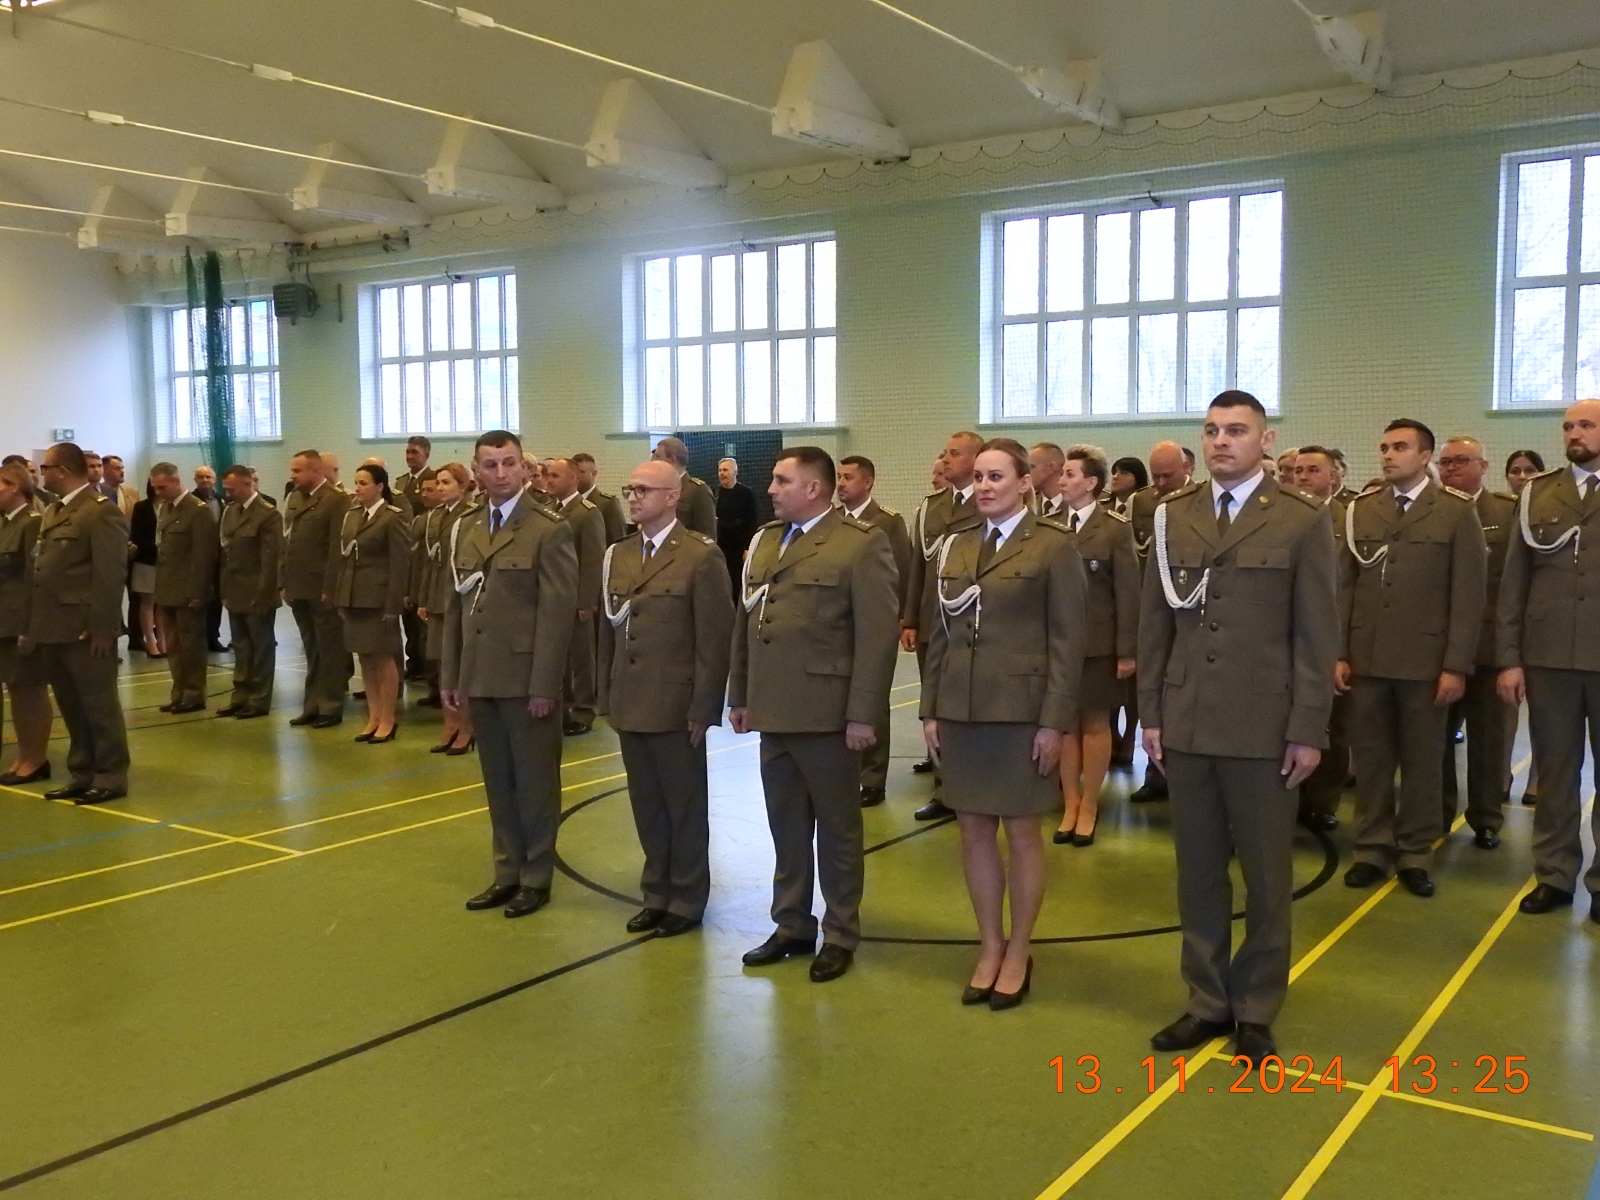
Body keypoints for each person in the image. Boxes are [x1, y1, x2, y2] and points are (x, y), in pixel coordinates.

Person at [1140, 392, 1337, 1067]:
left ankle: (1255, 1007)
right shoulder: (1173, 516)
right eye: (1212, 430)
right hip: (1188, 720)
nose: (1222, 441)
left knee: (1265, 877)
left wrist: (1308, 727)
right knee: (1197, 872)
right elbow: (1155, 625)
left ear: (1265, 439)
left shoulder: (1301, 519)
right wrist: (1151, 714)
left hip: (1264, 727)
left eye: (1236, 430)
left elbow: (1316, 635)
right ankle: (1206, 1000)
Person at [922, 439, 1086, 1008]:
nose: (985, 486)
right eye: (980, 477)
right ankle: (989, 944)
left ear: (1024, 483)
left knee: (1020, 832)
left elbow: (1067, 641)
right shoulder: (956, 545)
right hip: (961, 709)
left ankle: (1019, 949)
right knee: (972, 829)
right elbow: (939, 634)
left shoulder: (1053, 546)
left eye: (997, 477)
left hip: (1021, 713)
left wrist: (1053, 722)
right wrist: (930, 709)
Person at [731, 447, 899, 982]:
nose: (772, 489)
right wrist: (740, 694)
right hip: (773, 710)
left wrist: (864, 714)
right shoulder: (766, 542)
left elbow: (876, 638)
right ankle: (792, 924)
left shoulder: (860, 544)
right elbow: (748, 620)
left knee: (838, 831)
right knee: (786, 826)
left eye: (782, 481)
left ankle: (841, 931)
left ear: (814, 488)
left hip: (828, 715)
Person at [1339, 419, 1485, 897]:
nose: (1388, 455)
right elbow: (1344, 587)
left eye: (1400, 447)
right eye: (1384, 447)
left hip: (1426, 662)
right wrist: (1338, 652)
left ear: (1425, 457)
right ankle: (1370, 848)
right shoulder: (1362, 510)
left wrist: (1455, 665)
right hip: (1367, 658)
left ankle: (1415, 852)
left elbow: (1468, 596)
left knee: (1423, 764)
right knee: (1372, 761)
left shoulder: (1454, 512)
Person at [444, 431, 577, 918]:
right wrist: (451, 674)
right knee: (498, 782)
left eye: (508, 463)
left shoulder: (548, 529)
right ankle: (507, 872)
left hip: (526, 680)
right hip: (481, 675)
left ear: (524, 469)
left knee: (535, 783)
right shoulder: (465, 527)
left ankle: (536, 876)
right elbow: (455, 607)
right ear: (476, 471)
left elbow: (557, 616)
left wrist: (545, 685)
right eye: (490, 464)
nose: (500, 473)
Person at [599, 460, 734, 937]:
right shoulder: (619, 555)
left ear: (673, 497)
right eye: (630, 489)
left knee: (684, 807)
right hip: (630, 700)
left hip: (676, 706)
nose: (633, 498)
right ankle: (656, 892)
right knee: (647, 807)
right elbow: (608, 632)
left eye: (644, 490)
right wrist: (605, 695)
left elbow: (714, 640)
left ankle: (687, 898)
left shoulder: (700, 556)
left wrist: (704, 707)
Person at [1497, 399, 1600, 923]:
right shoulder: (1538, 493)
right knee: (1556, 773)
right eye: (1568, 426)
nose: (1574, 433)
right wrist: (1509, 659)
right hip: (1549, 657)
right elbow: (1514, 582)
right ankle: (1554, 876)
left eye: (1586, 425)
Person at [25, 443, 132, 804]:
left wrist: (103, 627)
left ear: (63, 471)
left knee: (99, 706)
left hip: (85, 627)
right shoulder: (56, 510)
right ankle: (82, 771)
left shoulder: (100, 512)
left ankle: (110, 775)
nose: (42, 472)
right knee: (71, 705)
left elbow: (110, 574)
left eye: (46, 467)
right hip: (55, 626)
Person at [1051, 445, 1138, 847]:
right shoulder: (1049, 524)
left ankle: (1089, 804)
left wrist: (1127, 650)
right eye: (1062, 474)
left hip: (1099, 643)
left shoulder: (1114, 528)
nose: (1062, 481)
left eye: (1070, 474)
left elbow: (1128, 592)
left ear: (1091, 483)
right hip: (1058, 644)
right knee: (1065, 724)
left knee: (1095, 724)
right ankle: (1069, 802)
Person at [1436, 436, 1516, 849]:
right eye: (1446, 462)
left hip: (1487, 648)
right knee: (1435, 740)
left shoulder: (1506, 512)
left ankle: (1486, 818)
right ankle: (1437, 813)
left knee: (1488, 740)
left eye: (1462, 461)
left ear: (1483, 466)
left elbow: (1515, 585)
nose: (1452, 468)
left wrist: (1512, 654)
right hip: (1439, 648)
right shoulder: (1431, 511)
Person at [903, 431, 983, 819]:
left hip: (975, 623)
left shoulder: (989, 502)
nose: (946, 459)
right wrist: (910, 619)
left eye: (955, 454)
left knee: (976, 706)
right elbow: (917, 567)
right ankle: (944, 789)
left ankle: (978, 786)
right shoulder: (931, 508)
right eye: (945, 453)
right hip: (934, 622)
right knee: (934, 705)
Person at [836, 454, 911, 807]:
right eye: (839, 476)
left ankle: (873, 778)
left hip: (875, 622)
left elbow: (901, 571)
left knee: (873, 699)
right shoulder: (833, 521)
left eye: (848, 477)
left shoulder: (887, 522)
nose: (841, 483)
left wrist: (902, 617)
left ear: (867, 482)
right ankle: (846, 772)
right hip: (840, 624)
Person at [1127, 441, 1194, 803]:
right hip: (1151, 610)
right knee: (1152, 698)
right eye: (1156, 476)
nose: (1162, 483)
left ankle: (1184, 779)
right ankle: (1155, 774)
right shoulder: (1141, 503)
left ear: (1188, 469)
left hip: (1187, 613)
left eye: (1169, 475)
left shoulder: (1198, 506)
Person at [1291, 445, 1351, 832]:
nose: (1303, 477)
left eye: (1313, 470)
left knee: (1332, 728)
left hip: (1334, 636)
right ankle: (1289, 800)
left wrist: (1341, 651)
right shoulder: (1282, 516)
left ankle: (1323, 802)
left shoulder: (1349, 518)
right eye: (1298, 471)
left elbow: (1348, 587)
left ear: (1333, 476)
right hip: (1288, 637)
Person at [328, 464, 411, 743]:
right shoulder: (352, 515)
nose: (358, 488)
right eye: (356, 482)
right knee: (365, 657)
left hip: (378, 599)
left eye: (364, 483)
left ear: (380, 487)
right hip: (355, 597)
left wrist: (393, 605)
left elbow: (400, 564)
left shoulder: (392, 518)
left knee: (383, 658)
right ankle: (373, 716)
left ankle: (388, 718)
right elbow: (344, 560)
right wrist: (342, 596)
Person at [283, 450, 353, 729]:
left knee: (330, 649)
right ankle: (312, 704)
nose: (292, 476)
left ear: (315, 471)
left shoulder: (336, 500)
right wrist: (284, 581)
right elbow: (288, 543)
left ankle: (330, 706)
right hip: (299, 586)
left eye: (297, 471)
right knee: (311, 650)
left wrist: (331, 587)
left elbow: (338, 547)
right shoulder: (296, 498)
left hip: (322, 588)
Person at [150, 462, 219, 715]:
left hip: (188, 590)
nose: (158, 492)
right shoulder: (166, 509)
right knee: (174, 646)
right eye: (155, 487)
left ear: (176, 481)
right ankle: (178, 692)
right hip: (167, 588)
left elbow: (204, 555)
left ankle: (194, 694)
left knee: (191, 646)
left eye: (162, 487)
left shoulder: (197, 511)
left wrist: (198, 591)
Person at [418, 463, 478, 754]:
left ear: (463, 485)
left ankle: (467, 727)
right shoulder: (436, 516)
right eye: (438, 483)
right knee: (444, 665)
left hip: (461, 596)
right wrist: (423, 598)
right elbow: (430, 561)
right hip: (438, 597)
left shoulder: (472, 515)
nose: (440, 488)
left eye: (446, 482)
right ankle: (450, 723)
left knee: (463, 665)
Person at [216, 464, 282, 719]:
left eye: (232, 489)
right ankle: (240, 696)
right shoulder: (231, 511)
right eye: (226, 489)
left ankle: (259, 699)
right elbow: (226, 554)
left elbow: (270, 560)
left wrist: (264, 594)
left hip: (257, 592)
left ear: (248, 484)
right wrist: (224, 589)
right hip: (235, 590)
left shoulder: (267, 514)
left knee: (261, 648)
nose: (228, 494)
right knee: (241, 647)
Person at [546, 458, 606, 736]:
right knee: (559, 656)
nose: (549, 480)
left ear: (573, 479)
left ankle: (583, 710)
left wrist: (586, 601)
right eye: (548, 475)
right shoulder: (548, 511)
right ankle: (564, 708)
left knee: (581, 658)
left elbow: (593, 559)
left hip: (576, 596)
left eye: (555, 476)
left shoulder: (586, 513)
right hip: (553, 597)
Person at [0, 462, 51, 785]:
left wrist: (32, 626)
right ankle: (24, 754)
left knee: (30, 689)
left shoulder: (31, 523)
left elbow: (36, 577)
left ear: (15, 487)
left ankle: (36, 758)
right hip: (4, 620)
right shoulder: (7, 523)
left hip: (21, 620)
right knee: (16, 690)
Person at [1501, 447, 1545, 804]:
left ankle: (1536, 779)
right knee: (1505, 709)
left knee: (1544, 713)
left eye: (1529, 470)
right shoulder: (1500, 512)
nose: (1521, 477)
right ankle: (1501, 773)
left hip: (1545, 625)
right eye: (1515, 470)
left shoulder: (1545, 508)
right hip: (1510, 622)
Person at [395, 437, 433, 680]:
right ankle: (414, 662)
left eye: (414, 452)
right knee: (407, 617)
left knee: (422, 623)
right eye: (407, 452)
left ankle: (426, 666)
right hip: (405, 549)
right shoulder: (401, 482)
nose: (409, 456)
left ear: (426, 454)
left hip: (423, 547)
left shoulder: (431, 479)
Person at [650, 436, 717, 537]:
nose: (652, 461)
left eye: (657, 456)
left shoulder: (698, 491)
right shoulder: (658, 488)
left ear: (671, 459)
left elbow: (707, 536)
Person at [192, 466, 227, 653]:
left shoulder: (223, 500)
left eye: (208, 477)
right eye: (201, 477)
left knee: (216, 600)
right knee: (200, 598)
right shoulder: (191, 501)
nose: (205, 480)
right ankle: (200, 638)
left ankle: (213, 636)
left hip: (220, 557)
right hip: (198, 557)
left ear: (215, 480)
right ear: (195, 480)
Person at [128, 483, 164, 658]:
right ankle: (150, 640)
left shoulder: (171, 506)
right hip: (147, 559)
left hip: (167, 562)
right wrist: (158, 548)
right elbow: (137, 535)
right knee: (148, 602)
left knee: (163, 603)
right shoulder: (142, 507)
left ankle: (163, 639)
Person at [714, 457, 759, 588]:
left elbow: (752, 522)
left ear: (735, 472)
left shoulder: (746, 493)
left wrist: (748, 548)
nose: (722, 473)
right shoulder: (715, 493)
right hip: (720, 548)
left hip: (739, 549)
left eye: (725, 470)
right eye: (720, 470)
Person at [573, 452, 626, 545]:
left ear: (594, 474)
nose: (577, 476)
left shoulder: (607, 503)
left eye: (581, 472)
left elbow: (617, 539)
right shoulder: (567, 502)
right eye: (573, 472)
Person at [1028, 442, 1067, 517]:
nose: (1027, 473)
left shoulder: (1076, 506)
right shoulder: (1028, 506)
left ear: (1051, 468)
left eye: (1032, 467)